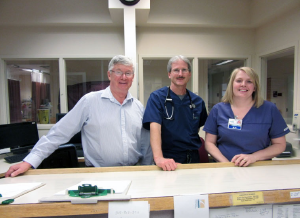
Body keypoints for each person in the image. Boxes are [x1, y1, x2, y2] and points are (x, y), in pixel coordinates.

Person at [6, 55, 153, 177]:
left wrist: (147, 169)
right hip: (99, 175)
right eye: (118, 72)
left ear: (133, 77)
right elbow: (59, 133)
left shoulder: (138, 106)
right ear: (109, 74)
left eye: (128, 73)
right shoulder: (90, 101)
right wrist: (29, 161)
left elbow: (146, 143)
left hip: (134, 173)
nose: (123, 77)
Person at [203, 67, 289, 167]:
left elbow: (280, 145)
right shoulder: (218, 110)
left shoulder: (269, 109)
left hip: (258, 168)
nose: (243, 84)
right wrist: (226, 164)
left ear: (255, 87)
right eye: (239, 80)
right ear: (231, 85)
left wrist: (253, 157)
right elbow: (209, 143)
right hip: (224, 168)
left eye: (249, 81)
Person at [143, 55, 208, 171]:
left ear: (189, 74)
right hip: (168, 160)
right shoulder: (157, 98)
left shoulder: (198, 102)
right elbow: (155, 128)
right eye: (176, 70)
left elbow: (196, 128)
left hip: (193, 159)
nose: (180, 74)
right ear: (169, 74)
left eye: (184, 70)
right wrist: (159, 158)